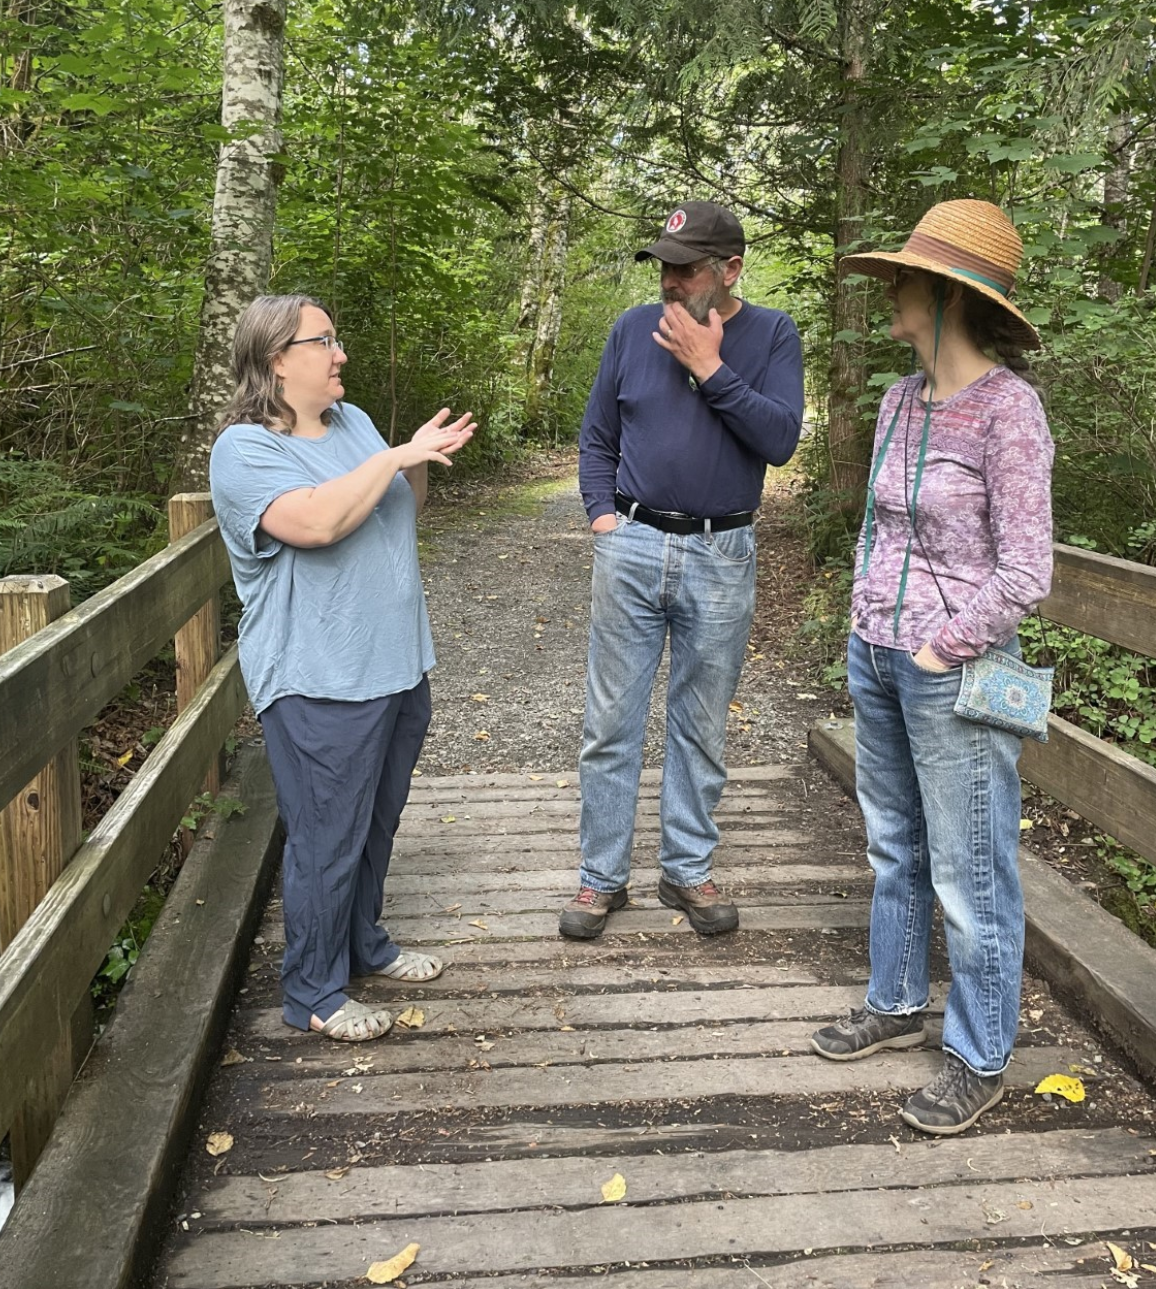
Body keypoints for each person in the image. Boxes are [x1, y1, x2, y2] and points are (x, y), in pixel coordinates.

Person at [809, 200, 1055, 1134]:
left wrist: (939, 645)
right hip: (877, 654)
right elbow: (880, 530)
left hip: (954, 668)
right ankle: (895, 998)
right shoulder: (899, 400)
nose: (892, 293)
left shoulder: (1010, 411)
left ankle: (980, 1053)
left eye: (906, 279)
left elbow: (1027, 568)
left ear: (948, 297)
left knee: (969, 865)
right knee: (894, 845)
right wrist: (866, 625)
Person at [209, 294, 474, 1042]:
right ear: (275, 359)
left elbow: (398, 505)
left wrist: (412, 459)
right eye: (324, 340)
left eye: (338, 337)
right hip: (319, 677)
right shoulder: (244, 450)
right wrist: (394, 455)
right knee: (325, 837)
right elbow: (317, 522)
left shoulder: (353, 423)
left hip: (395, 663)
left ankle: (365, 942)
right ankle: (315, 992)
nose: (340, 353)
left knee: (375, 821)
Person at [559, 201, 804, 939]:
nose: (669, 281)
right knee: (610, 721)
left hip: (721, 550)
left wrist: (710, 368)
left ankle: (686, 869)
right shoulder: (631, 330)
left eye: (686, 267)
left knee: (700, 722)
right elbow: (598, 435)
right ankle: (601, 879)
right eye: (664, 265)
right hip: (631, 541)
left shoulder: (772, 334)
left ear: (730, 269)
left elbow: (781, 439)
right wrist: (604, 519)